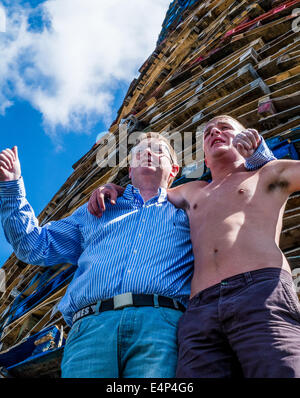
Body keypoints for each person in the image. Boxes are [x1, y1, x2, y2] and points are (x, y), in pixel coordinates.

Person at [0, 129, 272, 378]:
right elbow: (33, 246)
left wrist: (258, 154)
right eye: (140, 152)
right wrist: (11, 187)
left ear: (174, 169)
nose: (149, 154)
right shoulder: (96, 211)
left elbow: (245, 195)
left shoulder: (191, 210)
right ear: (130, 170)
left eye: (158, 151)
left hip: (161, 324)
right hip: (90, 327)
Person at [91, 116, 300, 378]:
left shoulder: (270, 173)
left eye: (225, 128)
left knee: (281, 370)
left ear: (245, 137)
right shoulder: (190, 192)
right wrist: (114, 188)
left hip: (260, 291)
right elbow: (148, 190)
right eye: (208, 132)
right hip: (200, 308)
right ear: (204, 158)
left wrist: (263, 156)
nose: (215, 132)